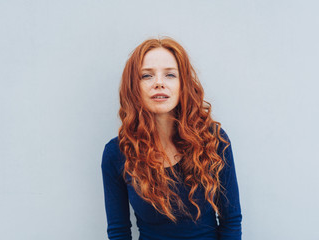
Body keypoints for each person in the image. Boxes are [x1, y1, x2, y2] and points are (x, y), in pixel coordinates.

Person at [101, 37, 242, 240]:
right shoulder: (117, 153)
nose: (159, 83)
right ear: (134, 87)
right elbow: (119, 231)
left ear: (183, 84)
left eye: (170, 75)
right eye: (147, 76)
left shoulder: (213, 140)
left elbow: (231, 221)